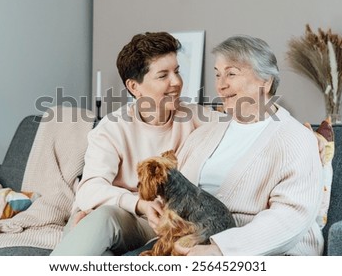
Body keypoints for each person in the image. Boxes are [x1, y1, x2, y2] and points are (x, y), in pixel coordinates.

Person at [50, 32, 221, 256]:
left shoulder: (197, 117)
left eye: (177, 71)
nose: (177, 82)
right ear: (134, 87)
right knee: (99, 218)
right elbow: (89, 189)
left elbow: (249, 127)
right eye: (163, 75)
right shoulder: (113, 128)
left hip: (157, 225)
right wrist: (139, 204)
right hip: (118, 214)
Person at [169, 35, 324, 255]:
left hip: (271, 250)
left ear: (265, 81)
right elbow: (177, 188)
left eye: (231, 74)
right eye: (217, 74)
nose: (221, 85)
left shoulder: (296, 138)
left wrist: (220, 250)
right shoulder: (203, 134)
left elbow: (291, 216)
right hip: (193, 241)